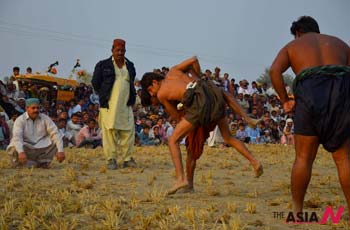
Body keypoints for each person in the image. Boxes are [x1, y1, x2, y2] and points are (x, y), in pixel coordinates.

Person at [141, 56, 263, 194]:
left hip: (197, 107)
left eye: (151, 91)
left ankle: (181, 179)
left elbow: (177, 116)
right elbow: (194, 60)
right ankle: (253, 154)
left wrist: (182, 106)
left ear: (155, 82)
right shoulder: (174, 71)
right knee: (228, 137)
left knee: (173, 141)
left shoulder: (162, 94)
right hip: (211, 93)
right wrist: (197, 77)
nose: (153, 94)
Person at [269, 15, 350, 219]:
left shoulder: (292, 46)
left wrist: (285, 100)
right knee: (344, 159)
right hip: (340, 93)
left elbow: (274, 71)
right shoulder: (340, 44)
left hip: (310, 92)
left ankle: (297, 212)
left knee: (303, 158)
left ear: (298, 33)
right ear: (317, 30)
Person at [91, 38, 137, 170]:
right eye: (117, 50)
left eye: (122, 50)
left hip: (126, 105)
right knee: (109, 132)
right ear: (112, 50)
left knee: (128, 132)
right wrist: (104, 95)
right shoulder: (103, 65)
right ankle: (111, 159)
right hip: (109, 105)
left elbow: (131, 83)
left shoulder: (130, 65)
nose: (120, 53)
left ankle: (127, 159)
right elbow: (95, 83)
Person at [6, 98, 65, 168]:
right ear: (27, 108)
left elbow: (55, 133)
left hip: (41, 146)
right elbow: (17, 137)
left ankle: (43, 162)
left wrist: (60, 151)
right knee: (13, 147)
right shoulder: (20, 120)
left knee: (55, 139)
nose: (36, 110)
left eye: (38, 108)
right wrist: (21, 152)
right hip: (26, 147)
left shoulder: (45, 118)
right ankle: (25, 163)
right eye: (33, 108)